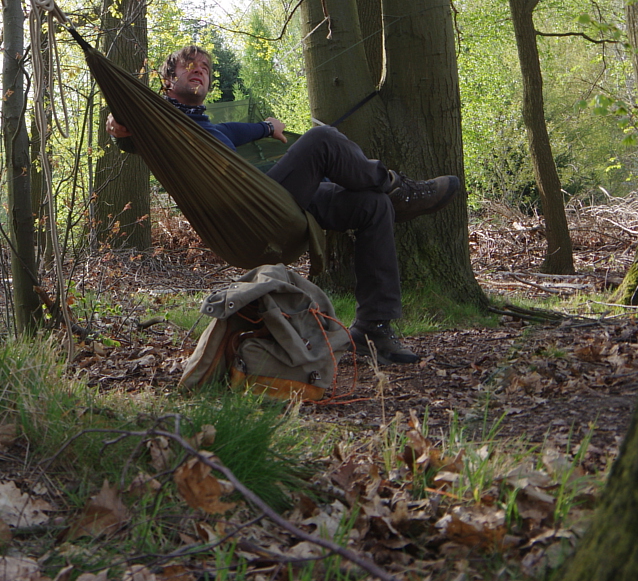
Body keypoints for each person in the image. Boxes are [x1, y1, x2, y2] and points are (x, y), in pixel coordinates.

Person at [107, 44, 460, 365]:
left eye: (205, 67)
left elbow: (241, 129)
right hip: (249, 215)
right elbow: (132, 133)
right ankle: (401, 189)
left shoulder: (213, 129)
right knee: (322, 139)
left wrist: (267, 127)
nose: (199, 69)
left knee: (373, 205)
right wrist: (119, 126)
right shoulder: (162, 122)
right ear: (169, 80)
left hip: (277, 203)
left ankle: (375, 330)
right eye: (189, 65)